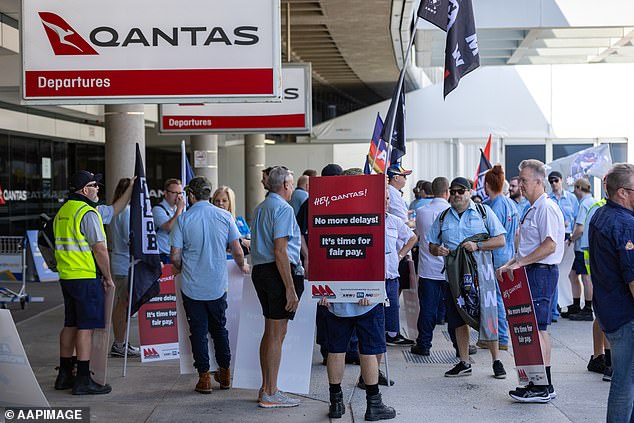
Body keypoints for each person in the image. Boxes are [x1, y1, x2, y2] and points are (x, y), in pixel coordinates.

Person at [170, 176, 248, 394]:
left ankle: (204, 378)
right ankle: (225, 375)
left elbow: (174, 257)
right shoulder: (224, 216)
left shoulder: (183, 220)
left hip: (192, 287)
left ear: (192, 195)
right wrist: (242, 266)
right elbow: (238, 250)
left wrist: (182, 266)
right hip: (217, 286)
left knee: (198, 332)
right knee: (219, 330)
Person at [498, 159, 565, 403]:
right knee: (534, 329)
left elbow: (549, 245)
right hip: (533, 271)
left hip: (540, 272)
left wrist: (520, 263)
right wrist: (510, 264)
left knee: (537, 330)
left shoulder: (545, 208)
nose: (520, 185)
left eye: (524, 181)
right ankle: (538, 383)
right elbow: (528, 245)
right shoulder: (533, 207)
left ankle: (541, 386)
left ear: (539, 181)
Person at [428, 177, 507, 379]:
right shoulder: (443, 217)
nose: (455, 194)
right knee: (458, 320)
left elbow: (500, 240)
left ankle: (496, 361)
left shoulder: (483, 213)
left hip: (481, 277)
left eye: (460, 191)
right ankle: (464, 362)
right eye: (452, 191)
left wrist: (477, 246)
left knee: (488, 317)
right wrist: (438, 250)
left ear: (469, 192)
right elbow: (430, 244)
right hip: (454, 279)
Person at [53, 170, 114, 395]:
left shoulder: (63, 211)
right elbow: (99, 248)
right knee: (85, 328)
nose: (98, 188)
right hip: (85, 276)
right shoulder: (88, 212)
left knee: (71, 324)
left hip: (67, 276)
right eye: (94, 185)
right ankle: (82, 380)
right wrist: (107, 277)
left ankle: (64, 375)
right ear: (84, 189)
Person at [251, 166, 304, 408]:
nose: (292, 188)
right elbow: (280, 250)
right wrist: (290, 288)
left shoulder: (261, 207)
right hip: (276, 272)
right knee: (276, 334)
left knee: (271, 332)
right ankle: (271, 392)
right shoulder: (282, 208)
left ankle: (266, 387)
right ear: (284, 185)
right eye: (291, 184)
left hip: (262, 271)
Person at [588, 163, 634, 422]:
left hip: (609, 311)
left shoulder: (600, 214)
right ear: (622, 192)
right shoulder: (625, 224)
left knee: (627, 381)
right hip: (625, 316)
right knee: (624, 384)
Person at [411, 177, 451, 356]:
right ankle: (461, 347)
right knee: (455, 311)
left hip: (428, 269)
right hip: (449, 269)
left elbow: (419, 235)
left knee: (427, 309)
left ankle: (424, 344)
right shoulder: (452, 211)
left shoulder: (421, 211)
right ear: (447, 191)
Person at [483, 165, 519, 351]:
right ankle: (497, 336)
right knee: (504, 298)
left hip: (496, 257)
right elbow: (517, 232)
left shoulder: (495, 207)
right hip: (509, 255)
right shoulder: (510, 203)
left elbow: (494, 236)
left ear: (487, 185)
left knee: (496, 299)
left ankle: (502, 337)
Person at [109, 178, 141, 358]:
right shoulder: (127, 212)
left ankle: (121, 342)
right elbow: (132, 239)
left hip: (119, 262)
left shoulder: (116, 210)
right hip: (124, 264)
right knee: (123, 305)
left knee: (123, 305)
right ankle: (119, 344)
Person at [386, 164, 416, 345]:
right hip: (394, 251)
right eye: (403, 176)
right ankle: (391, 332)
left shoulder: (394, 193)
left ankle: (390, 330)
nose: (405, 179)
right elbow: (402, 223)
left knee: (393, 295)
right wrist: (413, 223)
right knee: (392, 295)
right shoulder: (392, 193)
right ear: (396, 178)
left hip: (396, 250)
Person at [548, 170, 578, 321]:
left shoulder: (571, 198)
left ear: (561, 180)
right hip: (555, 239)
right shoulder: (549, 199)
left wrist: (572, 237)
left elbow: (578, 219)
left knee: (566, 274)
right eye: (551, 181)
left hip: (569, 239)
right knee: (555, 273)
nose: (553, 184)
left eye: (556, 180)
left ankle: (562, 303)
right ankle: (556, 306)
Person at [565, 178, 596, 322]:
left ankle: (588, 308)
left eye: (575, 189)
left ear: (579, 188)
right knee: (573, 275)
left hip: (583, 246)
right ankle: (577, 304)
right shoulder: (593, 201)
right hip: (589, 245)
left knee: (585, 276)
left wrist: (571, 238)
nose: (574, 192)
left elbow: (580, 228)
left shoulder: (584, 204)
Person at [152, 178, 185, 264]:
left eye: (180, 193)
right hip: (163, 256)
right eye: (175, 193)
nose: (178, 196)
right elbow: (169, 227)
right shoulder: (158, 209)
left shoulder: (178, 210)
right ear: (166, 193)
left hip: (177, 255)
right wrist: (179, 209)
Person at [212, 186, 251, 254]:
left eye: (224, 201)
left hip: (238, 263)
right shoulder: (210, 223)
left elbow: (251, 246)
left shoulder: (240, 221)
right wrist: (240, 243)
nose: (220, 203)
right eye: (217, 201)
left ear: (230, 202)